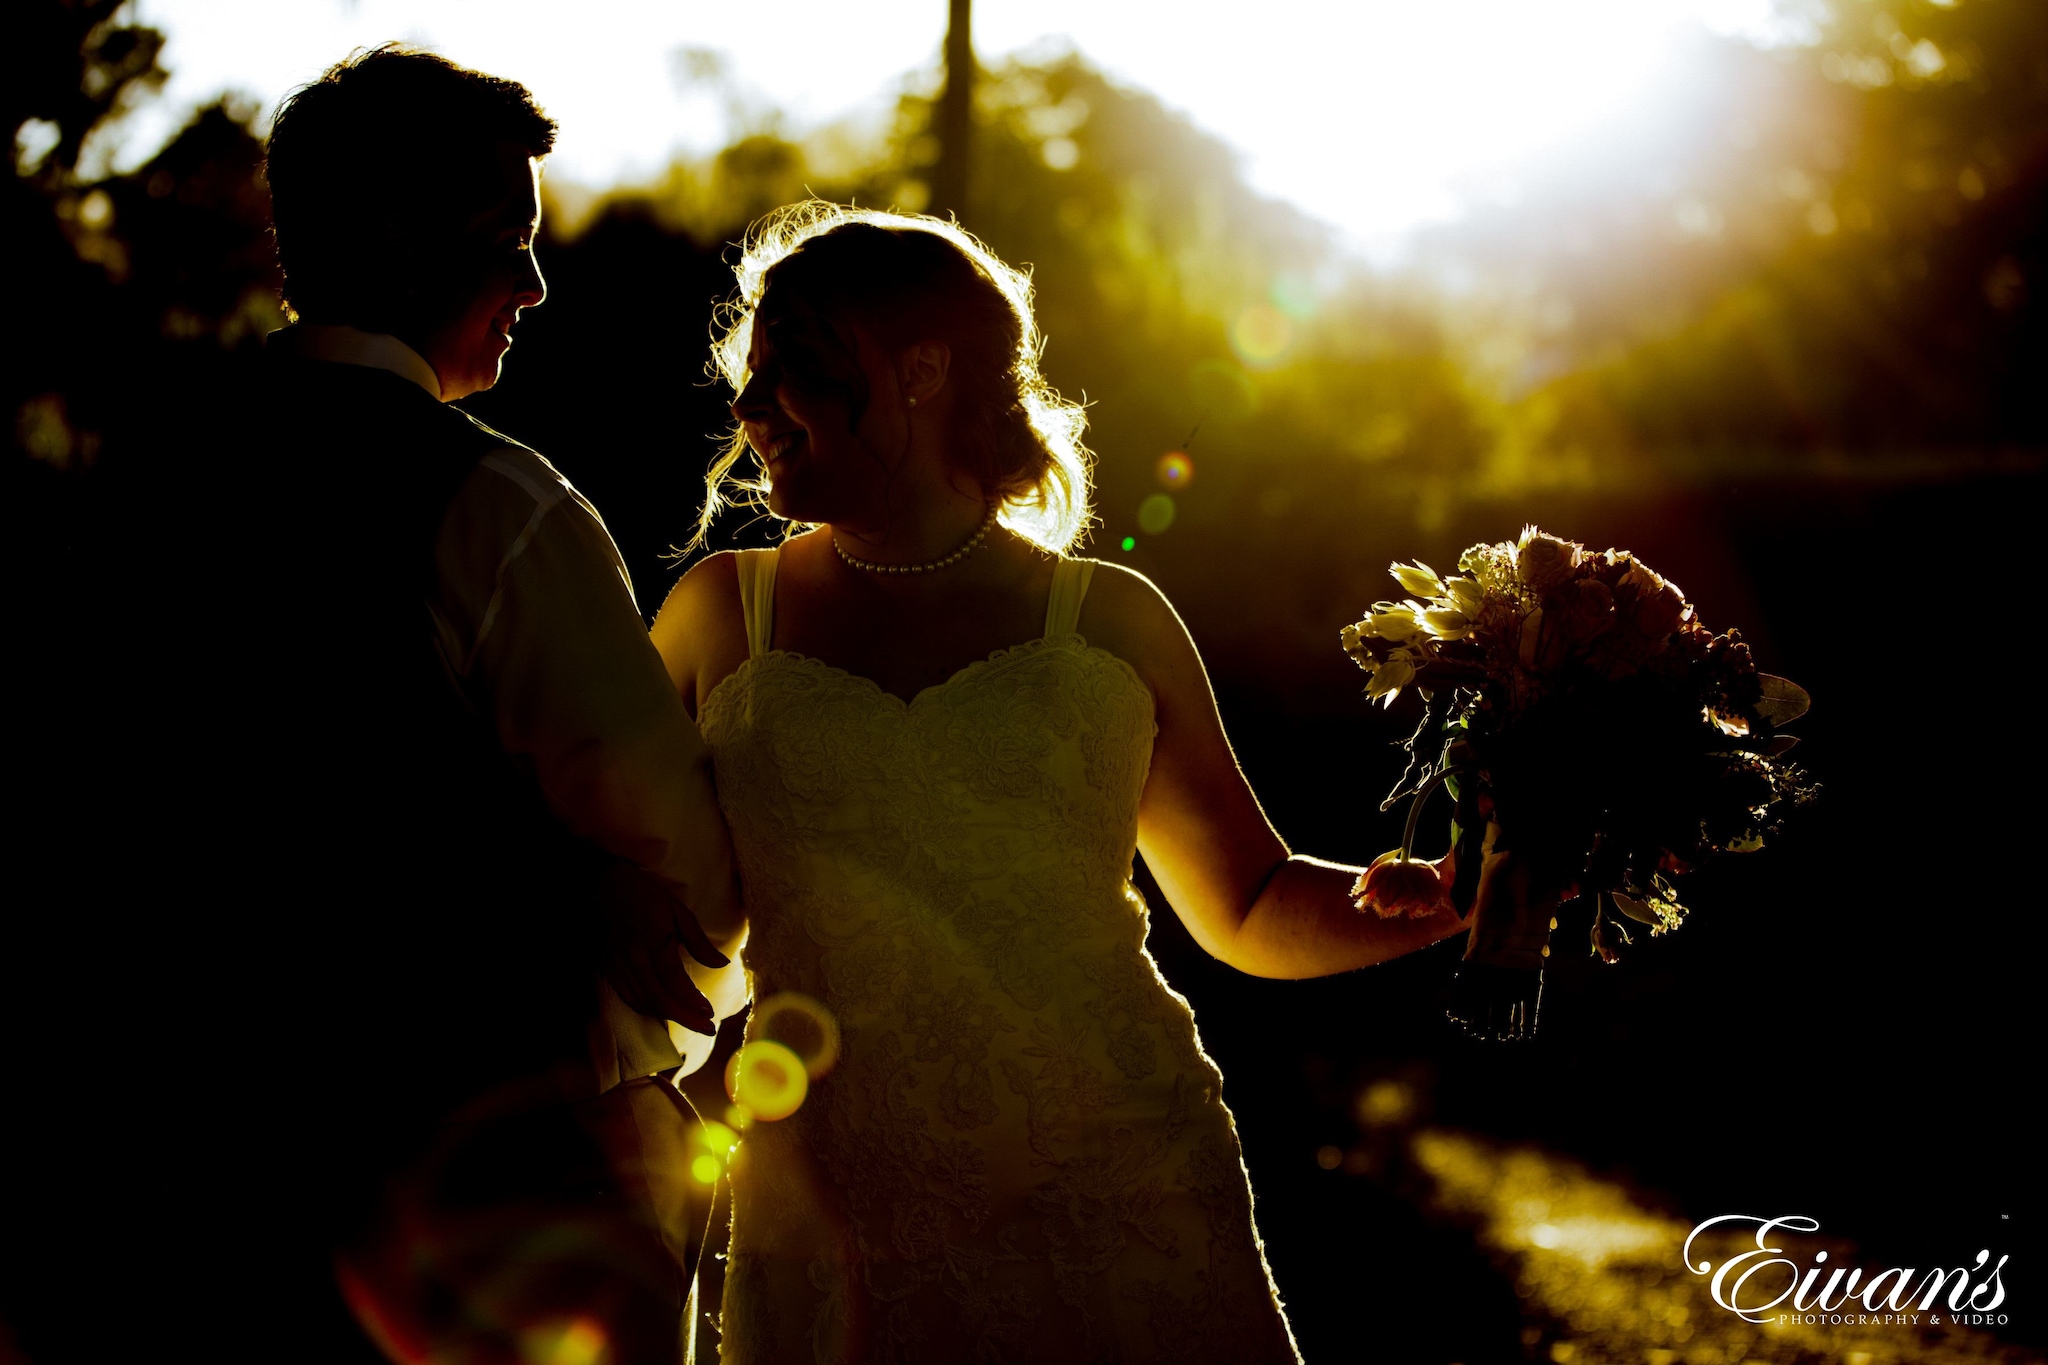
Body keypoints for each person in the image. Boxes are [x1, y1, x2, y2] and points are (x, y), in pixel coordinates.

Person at [652, 204, 1469, 1364]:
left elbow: (1245, 906)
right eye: (749, 373)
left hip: (1118, 1181)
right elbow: (621, 886)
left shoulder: (1110, 622)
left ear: (922, 368)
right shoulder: (716, 616)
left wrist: (1456, 891)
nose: (748, 409)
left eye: (793, 367)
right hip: (836, 1204)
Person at [135, 46, 743, 1363]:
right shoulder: (497, 508)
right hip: (494, 1209)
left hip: (178, 1206)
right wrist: (557, 882)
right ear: (406, 242)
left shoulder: (134, 484)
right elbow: (684, 896)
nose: (534, 284)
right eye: (506, 241)